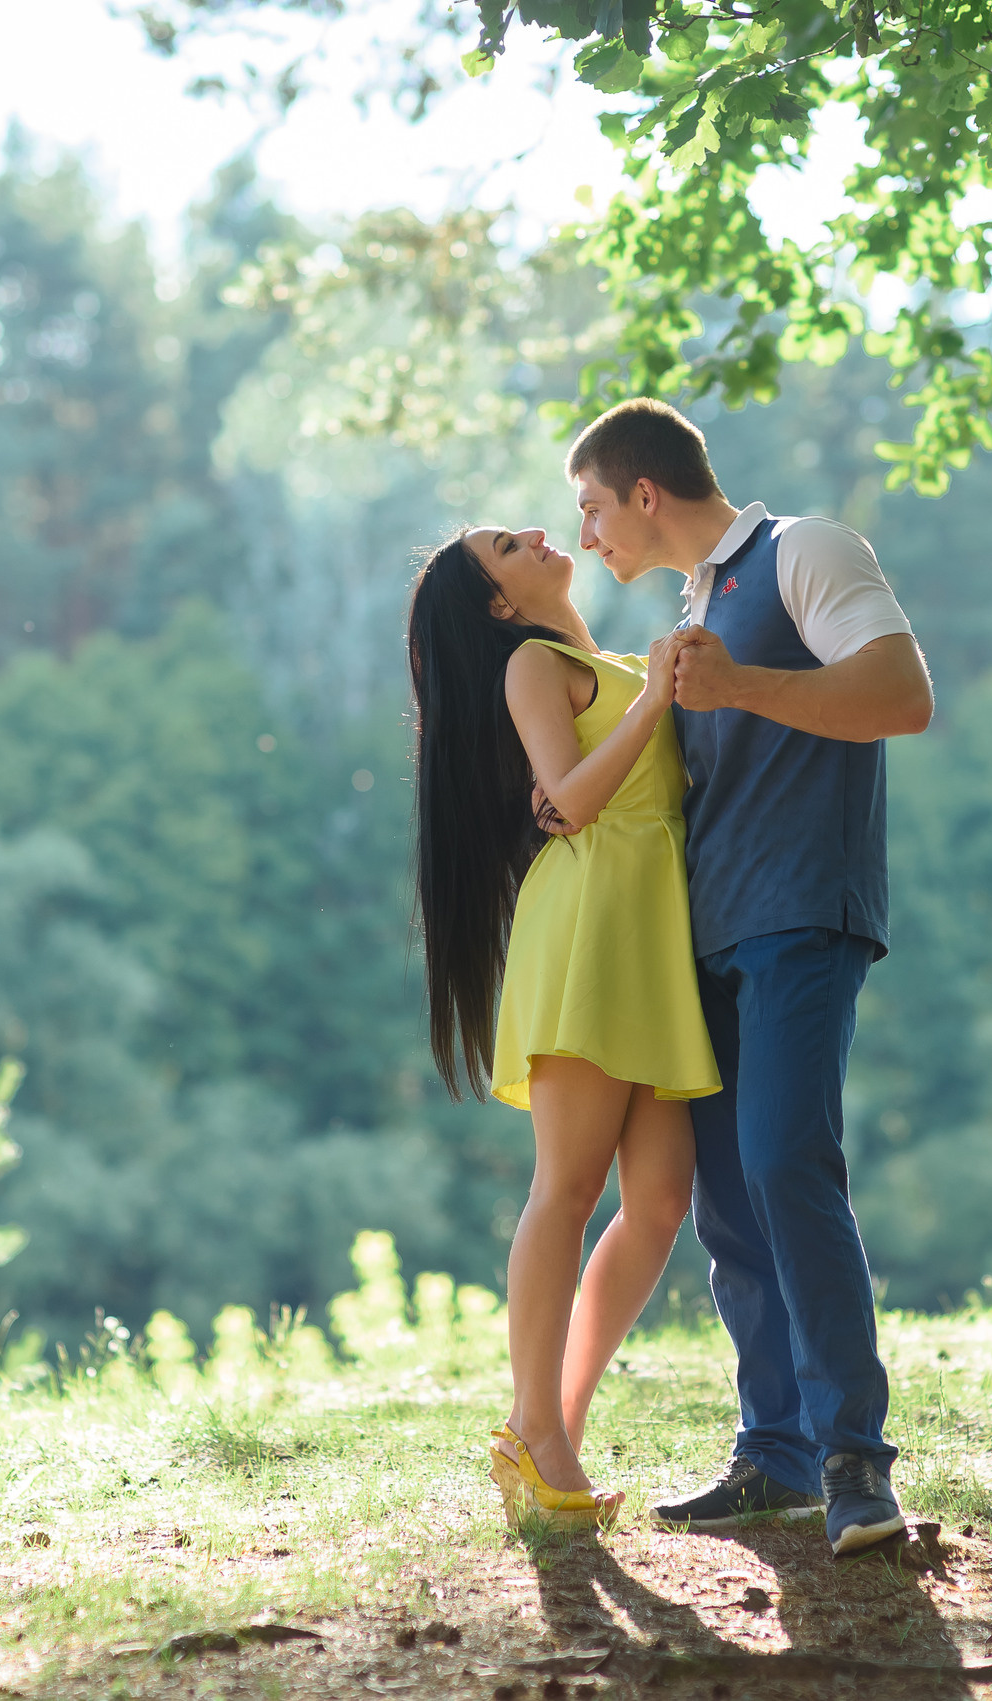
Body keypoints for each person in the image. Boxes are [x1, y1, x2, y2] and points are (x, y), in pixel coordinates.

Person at [548, 397, 934, 1559]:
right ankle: (772, 1454)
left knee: (781, 1160)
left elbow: (901, 695)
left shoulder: (803, 550)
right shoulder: (688, 611)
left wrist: (742, 688)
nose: (588, 534)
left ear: (644, 494)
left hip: (803, 912)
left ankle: (853, 1462)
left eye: (592, 508)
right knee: (721, 1193)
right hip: (702, 941)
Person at [406, 522, 718, 1526]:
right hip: (586, 925)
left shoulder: (603, 660)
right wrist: (655, 698)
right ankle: (539, 1431)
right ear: (499, 603)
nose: (540, 533)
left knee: (663, 1198)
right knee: (569, 1183)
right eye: (509, 544)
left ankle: (547, 1423)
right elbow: (573, 800)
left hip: (648, 930)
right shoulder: (534, 665)